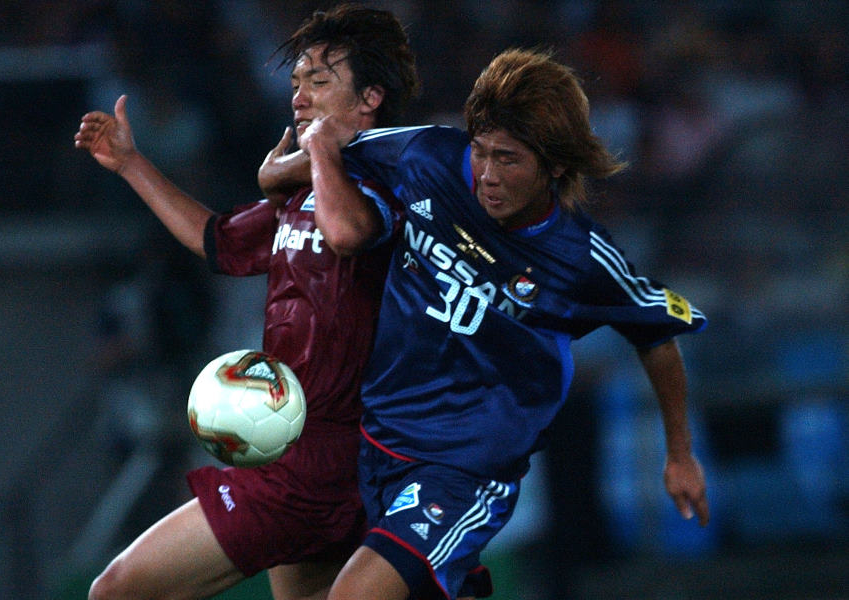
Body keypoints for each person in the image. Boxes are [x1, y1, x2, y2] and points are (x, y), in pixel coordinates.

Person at [293, 48, 710, 600]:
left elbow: (657, 335)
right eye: (482, 152)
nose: (487, 176)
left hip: (465, 472)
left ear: (556, 166)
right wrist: (279, 167)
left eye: (508, 160)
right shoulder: (428, 156)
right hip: (375, 440)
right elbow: (323, 147)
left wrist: (679, 454)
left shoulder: (582, 257)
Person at [73, 5, 419, 600]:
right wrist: (131, 164)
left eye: (319, 82)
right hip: (310, 454)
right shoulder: (304, 189)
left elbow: (347, 234)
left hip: (320, 463)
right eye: (296, 84)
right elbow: (217, 240)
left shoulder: (396, 183)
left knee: (116, 591)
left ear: (370, 98)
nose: (300, 98)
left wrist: (309, 162)